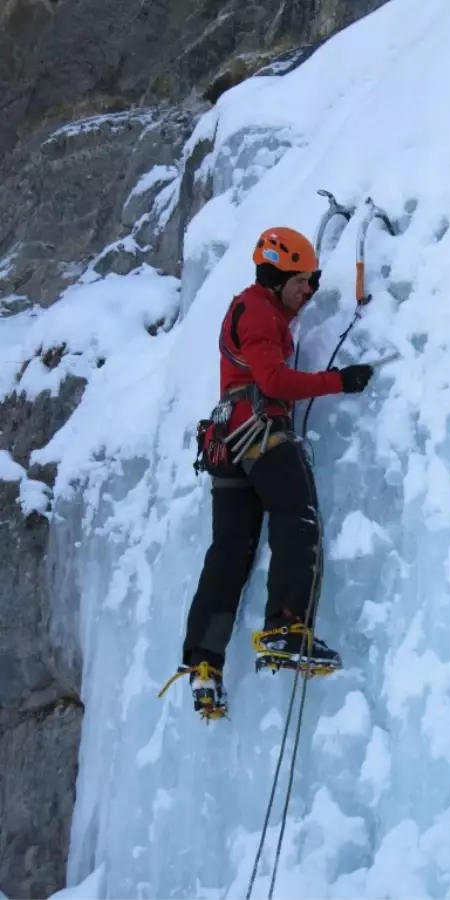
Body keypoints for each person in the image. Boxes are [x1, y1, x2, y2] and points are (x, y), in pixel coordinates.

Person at [159, 226, 375, 720]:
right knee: (296, 516)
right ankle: (284, 626)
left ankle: (204, 665)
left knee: (229, 555)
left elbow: (266, 358)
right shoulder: (256, 309)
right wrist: (338, 380)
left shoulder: (256, 309)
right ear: (276, 277)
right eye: (302, 282)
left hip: (226, 442)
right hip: (257, 430)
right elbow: (273, 379)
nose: (308, 291)